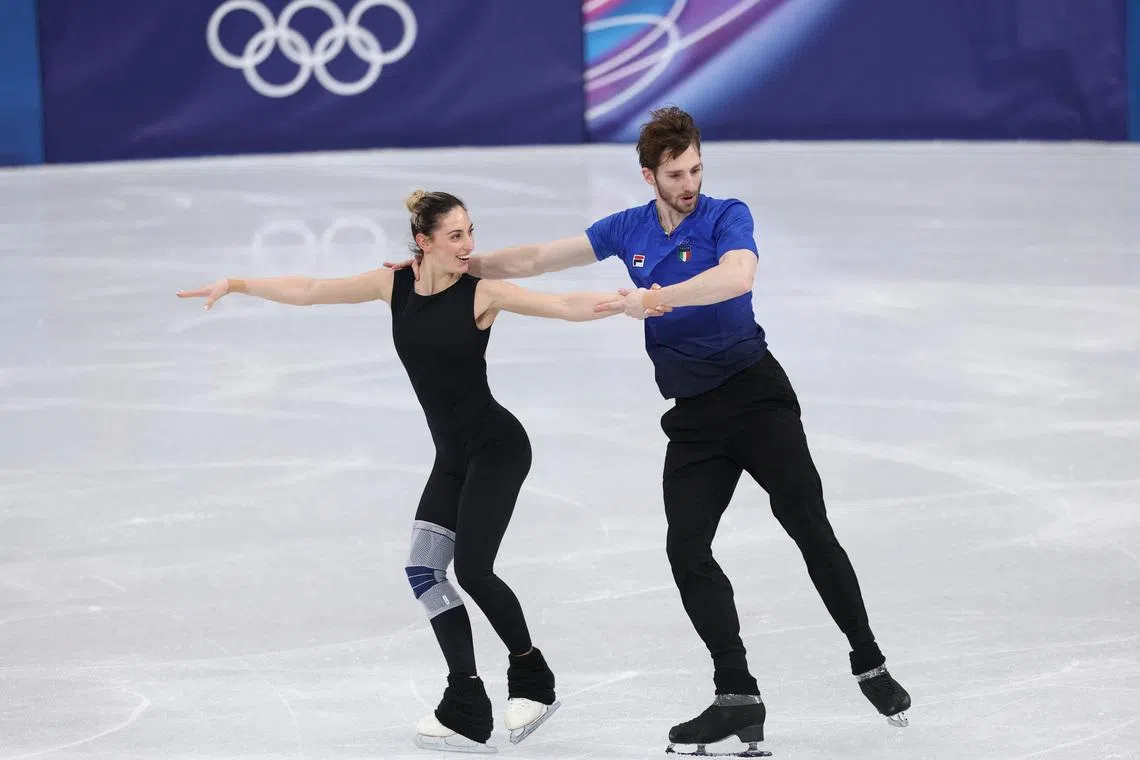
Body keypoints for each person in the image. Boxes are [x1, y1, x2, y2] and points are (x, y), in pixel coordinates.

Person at [387, 107, 911, 755]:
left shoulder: (725, 216)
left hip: (756, 398)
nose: (689, 182)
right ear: (649, 175)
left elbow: (736, 276)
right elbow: (542, 257)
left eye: (695, 168)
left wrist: (656, 296)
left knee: (807, 524)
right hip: (691, 417)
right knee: (686, 551)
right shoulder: (629, 228)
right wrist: (460, 266)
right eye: (675, 173)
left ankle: (868, 659)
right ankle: (736, 693)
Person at [177, 190, 668, 753]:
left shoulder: (481, 293)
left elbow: (560, 305)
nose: (468, 245)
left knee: (476, 570)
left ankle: (534, 678)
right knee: (425, 571)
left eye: (470, 232)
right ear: (423, 242)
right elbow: (313, 291)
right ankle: (465, 701)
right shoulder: (395, 285)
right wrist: (238, 284)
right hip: (452, 456)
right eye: (455, 235)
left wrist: (628, 304)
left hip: (497, 448)